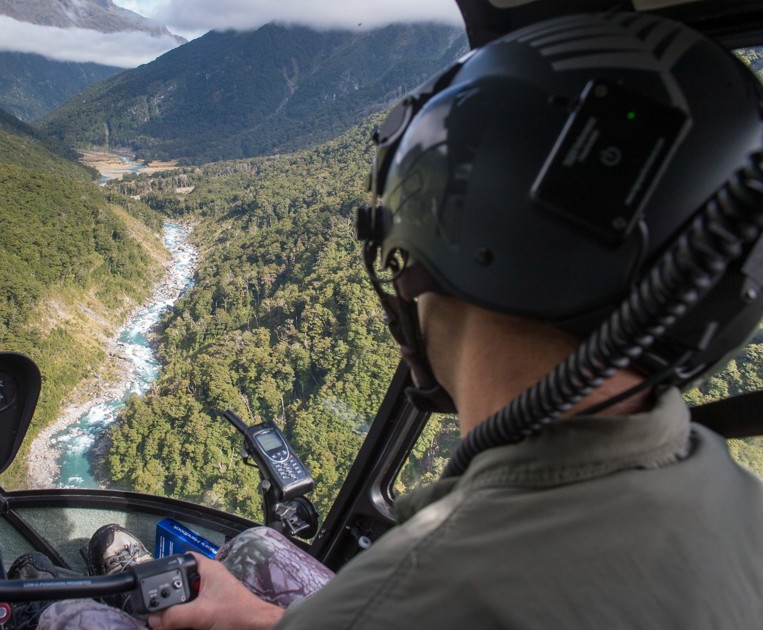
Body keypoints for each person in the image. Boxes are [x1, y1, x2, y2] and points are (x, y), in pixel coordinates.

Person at [38, 10, 763, 630]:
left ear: (446, 235)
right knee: (255, 548)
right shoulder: (734, 497)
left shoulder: (419, 590)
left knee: (65, 615)